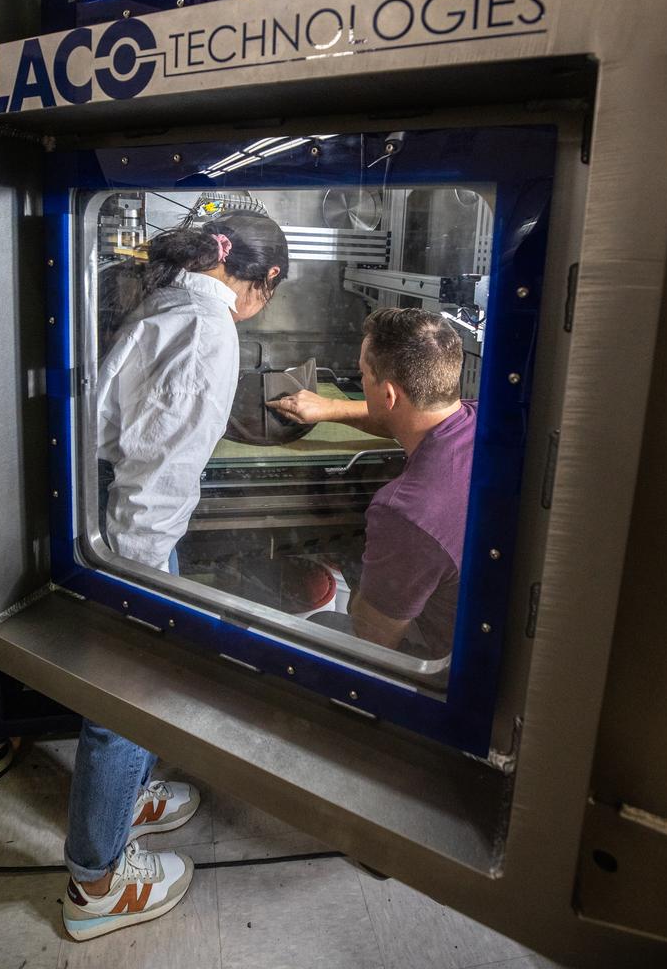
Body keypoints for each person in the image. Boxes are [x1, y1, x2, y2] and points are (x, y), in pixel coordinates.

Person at [63, 212, 289, 942]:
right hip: (132, 526)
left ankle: (127, 797)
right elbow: (156, 469)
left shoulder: (173, 300)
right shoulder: (207, 328)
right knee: (128, 692)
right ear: (266, 280)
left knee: (139, 690)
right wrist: (139, 577)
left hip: (111, 507)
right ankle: (93, 883)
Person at [268, 307, 476, 663]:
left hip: (450, 665)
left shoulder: (407, 512)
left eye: (363, 375)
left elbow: (373, 640)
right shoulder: (477, 416)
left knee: (327, 624)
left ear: (390, 395)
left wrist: (363, 597)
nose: (361, 381)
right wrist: (330, 408)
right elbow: (406, 418)